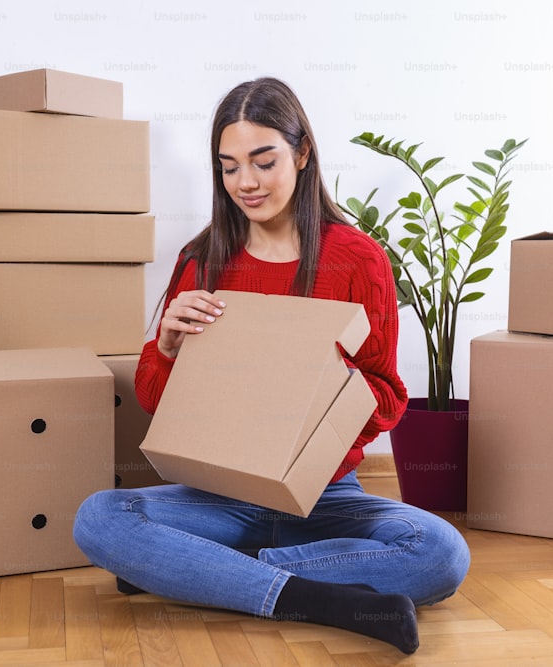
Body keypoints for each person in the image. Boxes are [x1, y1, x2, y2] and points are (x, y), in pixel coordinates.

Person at [73, 77, 470, 655]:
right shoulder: (203, 259)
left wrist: (320, 389)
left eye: (263, 161)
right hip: (218, 496)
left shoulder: (357, 259)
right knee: (99, 518)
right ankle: (316, 597)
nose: (246, 183)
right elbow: (156, 399)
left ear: (303, 152)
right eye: (229, 167)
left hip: (326, 495)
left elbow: (387, 395)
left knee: (439, 552)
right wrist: (166, 346)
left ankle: (198, 571)